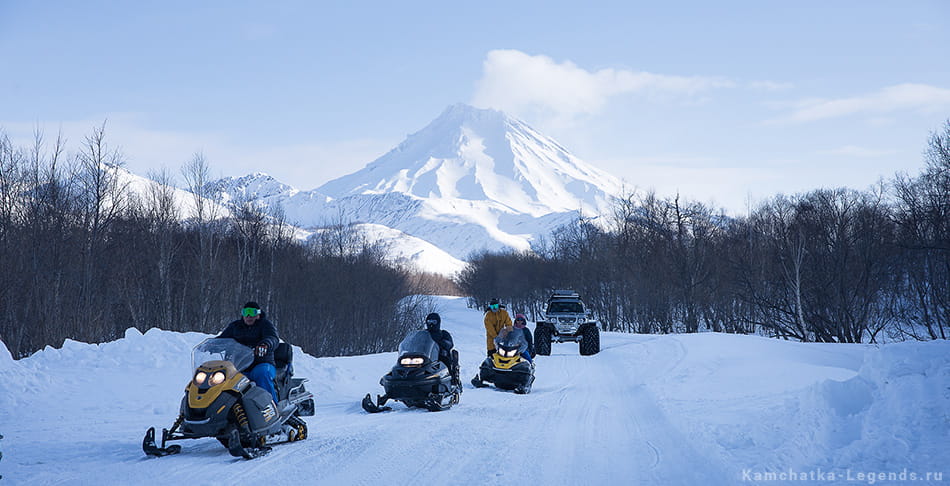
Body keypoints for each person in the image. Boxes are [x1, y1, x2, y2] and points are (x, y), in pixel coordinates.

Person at [218, 301, 280, 403]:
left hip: (261, 362)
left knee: (262, 374)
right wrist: (214, 345)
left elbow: (272, 338)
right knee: (222, 378)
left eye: (252, 312)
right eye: (245, 312)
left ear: (258, 314)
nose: (248, 316)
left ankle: (271, 406)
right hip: (239, 365)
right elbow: (222, 339)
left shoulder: (265, 325)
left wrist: (265, 344)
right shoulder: (235, 326)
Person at [425, 312, 460, 387]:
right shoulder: (424, 334)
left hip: (439, 356)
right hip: (426, 356)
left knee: (445, 359)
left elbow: (450, 344)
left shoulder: (443, 333)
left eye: (434, 322)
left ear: (438, 322)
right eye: (429, 321)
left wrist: (441, 342)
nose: (431, 324)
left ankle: (451, 381)